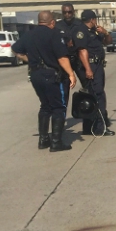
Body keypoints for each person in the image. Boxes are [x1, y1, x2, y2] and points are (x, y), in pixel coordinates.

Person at [12, 11, 77, 152]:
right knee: (58, 107)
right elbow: (62, 58)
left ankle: (43, 140)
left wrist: (31, 61)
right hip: (51, 74)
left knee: (45, 106)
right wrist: (71, 74)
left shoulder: (28, 35)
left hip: (35, 74)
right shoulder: (54, 34)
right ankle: (56, 142)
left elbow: (16, 50)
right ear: (52, 22)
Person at [73, 10, 114, 137]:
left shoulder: (94, 31)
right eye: (95, 19)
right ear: (92, 20)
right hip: (90, 66)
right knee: (98, 95)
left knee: (90, 96)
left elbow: (108, 42)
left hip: (96, 65)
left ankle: (88, 127)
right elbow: (81, 51)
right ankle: (100, 127)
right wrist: (88, 69)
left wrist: (105, 33)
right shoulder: (81, 31)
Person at [54, 3, 83, 103]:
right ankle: (62, 115)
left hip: (79, 59)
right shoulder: (57, 26)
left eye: (69, 12)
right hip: (65, 61)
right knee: (64, 91)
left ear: (73, 12)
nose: (67, 15)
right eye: (65, 12)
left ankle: (89, 113)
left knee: (88, 86)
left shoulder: (80, 24)